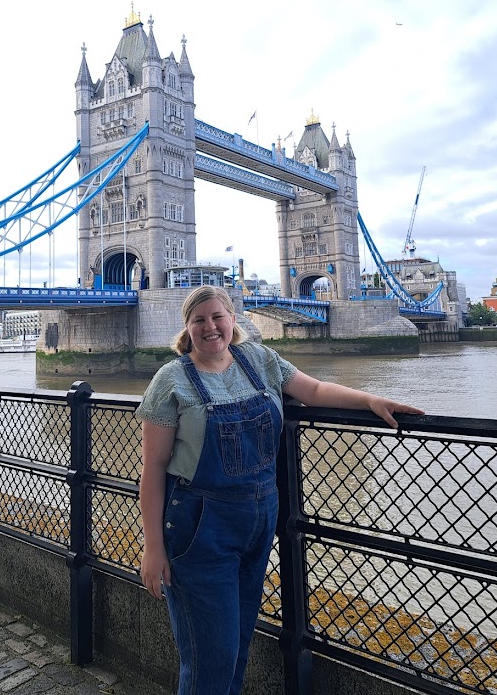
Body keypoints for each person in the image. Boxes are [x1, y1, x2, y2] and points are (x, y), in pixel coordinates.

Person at [137, 286, 423, 695]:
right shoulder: (171, 380)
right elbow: (154, 468)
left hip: (257, 527)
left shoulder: (259, 359)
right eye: (198, 319)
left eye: (217, 316)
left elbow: (316, 391)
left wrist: (371, 400)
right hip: (200, 532)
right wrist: (153, 547)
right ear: (187, 328)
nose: (210, 327)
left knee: (236, 649)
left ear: (233, 319)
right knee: (207, 664)